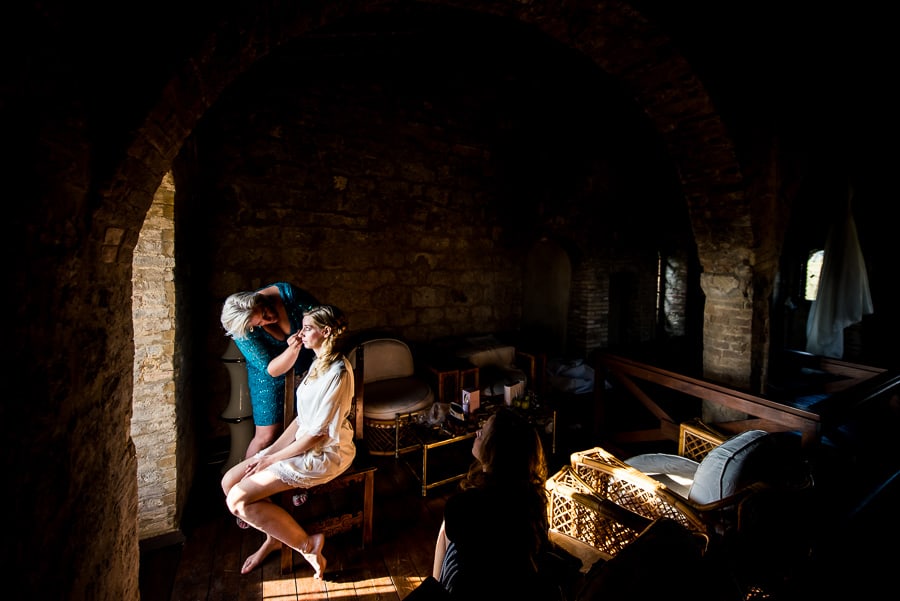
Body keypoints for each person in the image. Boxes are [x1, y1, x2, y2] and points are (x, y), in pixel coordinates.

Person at [221, 304, 355, 577]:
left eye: (307, 328)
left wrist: (271, 459)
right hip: (303, 442)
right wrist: (268, 452)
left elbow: (316, 434)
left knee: (238, 501)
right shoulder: (318, 362)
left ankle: (308, 544)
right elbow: (299, 421)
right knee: (228, 482)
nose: (300, 333)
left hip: (322, 453)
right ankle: (275, 537)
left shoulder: (338, 373)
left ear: (325, 331)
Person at [430, 406, 573, 601]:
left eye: (484, 431)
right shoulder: (533, 499)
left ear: (497, 448)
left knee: (448, 532)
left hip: (481, 589)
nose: (477, 432)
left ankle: (435, 587)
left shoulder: (465, 504)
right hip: (521, 588)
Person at [221, 282, 319, 457]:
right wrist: (292, 349)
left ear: (261, 299)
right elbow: (270, 369)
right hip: (267, 377)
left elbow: (323, 316)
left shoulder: (288, 295)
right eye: (260, 324)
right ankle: (243, 479)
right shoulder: (241, 328)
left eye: (265, 312)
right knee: (266, 436)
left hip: (306, 367)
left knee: (300, 426)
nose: (269, 319)